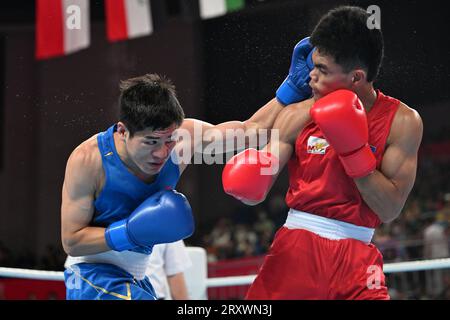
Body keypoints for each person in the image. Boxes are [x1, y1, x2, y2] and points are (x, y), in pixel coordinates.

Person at [61, 41, 315, 301]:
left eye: (168, 140)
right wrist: (128, 232)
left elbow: (251, 131)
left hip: (136, 276)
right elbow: (71, 240)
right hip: (90, 274)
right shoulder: (88, 160)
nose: (162, 152)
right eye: (151, 142)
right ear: (123, 131)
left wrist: (292, 87)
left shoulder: (184, 137)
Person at [222, 6, 423, 299]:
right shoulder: (298, 114)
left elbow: (390, 209)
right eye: (313, 65)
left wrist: (353, 152)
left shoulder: (403, 122)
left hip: (358, 261)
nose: (311, 77)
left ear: (356, 77)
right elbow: (263, 166)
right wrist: (253, 174)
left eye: (323, 70)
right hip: (296, 250)